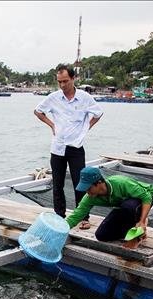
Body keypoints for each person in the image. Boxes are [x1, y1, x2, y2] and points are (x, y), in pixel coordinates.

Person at [34, 64, 103, 224]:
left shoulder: (85, 98)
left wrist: (86, 128)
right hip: (57, 147)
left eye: (65, 81)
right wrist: (51, 124)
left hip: (76, 147)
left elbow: (98, 113)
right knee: (57, 185)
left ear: (73, 78)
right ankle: (59, 216)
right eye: (59, 82)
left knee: (81, 184)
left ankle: (83, 217)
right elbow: (38, 111)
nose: (63, 85)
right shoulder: (54, 98)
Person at [66, 167, 153, 248]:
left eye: (88, 188)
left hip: (148, 195)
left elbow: (146, 197)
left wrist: (141, 221)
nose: (87, 192)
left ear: (99, 183)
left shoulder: (120, 182)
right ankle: (128, 232)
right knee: (101, 235)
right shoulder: (90, 197)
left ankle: (139, 230)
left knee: (128, 206)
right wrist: (60, 229)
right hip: (124, 206)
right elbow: (76, 216)